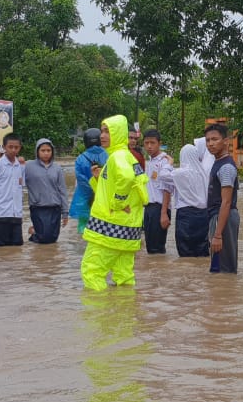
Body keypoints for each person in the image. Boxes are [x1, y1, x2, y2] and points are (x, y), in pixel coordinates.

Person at [80, 115, 148, 290]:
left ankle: (99, 315)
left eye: (107, 132)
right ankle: (124, 314)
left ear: (117, 133)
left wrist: (117, 203)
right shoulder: (128, 157)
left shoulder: (117, 157)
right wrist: (98, 178)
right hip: (128, 229)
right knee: (124, 277)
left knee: (91, 272)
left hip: (109, 228)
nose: (102, 136)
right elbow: (122, 185)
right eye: (102, 131)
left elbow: (126, 178)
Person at [204, 123, 239, 274]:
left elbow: (226, 202)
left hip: (223, 218)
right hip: (217, 217)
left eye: (214, 139)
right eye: (207, 140)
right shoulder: (218, 162)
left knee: (224, 268)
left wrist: (218, 235)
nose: (210, 144)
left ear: (226, 141)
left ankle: (226, 295)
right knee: (217, 265)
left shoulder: (226, 167)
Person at [167, 142, 210, 258]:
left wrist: (169, 163)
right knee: (202, 250)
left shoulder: (180, 173)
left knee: (185, 251)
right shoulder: (204, 173)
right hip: (203, 216)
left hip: (186, 216)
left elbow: (161, 175)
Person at [0, 133, 25, 247]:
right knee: (2, 249)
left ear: (20, 148)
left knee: (17, 248)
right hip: (0, 215)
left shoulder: (21, 166)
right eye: (10, 147)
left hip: (16, 214)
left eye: (16, 147)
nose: (13, 150)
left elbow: (21, 187)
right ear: (4, 147)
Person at [24, 138, 68, 244]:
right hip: (37, 207)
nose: (46, 153)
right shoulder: (28, 166)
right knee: (43, 238)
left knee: (53, 238)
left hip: (55, 207)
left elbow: (62, 190)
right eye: (43, 150)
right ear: (37, 152)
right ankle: (33, 234)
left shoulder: (57, 168)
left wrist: (65, 213)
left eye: (48, 150)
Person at [141, 129, 174, 254]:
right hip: (149, 208)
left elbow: (167, 189)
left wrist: (164, 213)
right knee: (150, 247)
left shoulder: (164, 161)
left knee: (157, 249)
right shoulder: (148, 162)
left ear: (159, 143)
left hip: (160, 208)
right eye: (146, 143)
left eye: (152, 143)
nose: (149, 146)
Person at [70, 128, 108, 235]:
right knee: (102, 229)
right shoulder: (108, 156)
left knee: (84, 229)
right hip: (103, 198)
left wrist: (90, 196)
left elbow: (81, 181)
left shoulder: (80, 159)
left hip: (84, 199)